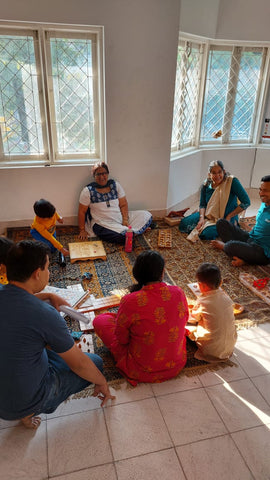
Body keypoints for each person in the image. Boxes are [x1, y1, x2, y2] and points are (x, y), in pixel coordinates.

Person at [0, 240, 115, 429]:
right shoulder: (44, 314)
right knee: (95, 363)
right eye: (47, 268)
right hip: (25, 402)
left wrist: (48, 296)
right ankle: (28, 412)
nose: (49, 273)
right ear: (37, 274)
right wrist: (101, 381)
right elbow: (79, 364)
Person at [93, 250, 189, 385]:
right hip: (175, 365)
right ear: (162, 273)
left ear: (137, 274)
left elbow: (122, 339)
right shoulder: (178, 292)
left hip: (139, 370)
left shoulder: (130, 301)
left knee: (100, 320)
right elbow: (184, 320)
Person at [78, 162, 153, 244]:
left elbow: (123, 204)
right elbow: (82, 212)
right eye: (98, 174)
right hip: (103, 224)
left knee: (146, 215)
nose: (102, 177)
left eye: (104, 173)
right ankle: (134, 232)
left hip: (120, 219)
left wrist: (125, 220)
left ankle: (132, 232)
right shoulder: (88, 191)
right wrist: (82, 230)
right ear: (94, 176)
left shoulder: (115, 185)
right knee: (122, 237)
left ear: (108, 173)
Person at [179, 160, 250, 240]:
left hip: (225, 218)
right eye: (214, 173)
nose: (217, 175)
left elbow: (246, 202)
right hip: (208, 214)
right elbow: (202, 205)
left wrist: (229, 216)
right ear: (209, 174)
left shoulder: (231, 182)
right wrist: (201, 219)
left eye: (220, 172)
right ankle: (207, 224)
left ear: (224, 171)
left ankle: (232, 225)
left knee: (207, 233)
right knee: (184, 223)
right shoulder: (206, 184)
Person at [211, 175, 270, 266]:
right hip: (251, 238)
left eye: (265, 190)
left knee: (231, 245)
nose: (261, 193)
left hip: (262, 251)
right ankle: (241, 254)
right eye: (260, 189)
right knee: (221, 223)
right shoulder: (264, 203)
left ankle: (230, 249)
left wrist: (224, 246)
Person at [188, 263, 237, 362]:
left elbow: (192, 319)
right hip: (230, 347)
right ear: (221, 283)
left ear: (201, 286)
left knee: (187, 327)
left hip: (210, 350)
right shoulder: (227, 298)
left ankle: (204, 349)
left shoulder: (202, 302)